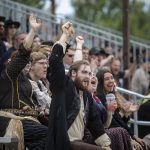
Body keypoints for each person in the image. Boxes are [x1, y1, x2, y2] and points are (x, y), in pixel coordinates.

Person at [46, 22, 111, 150]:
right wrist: (65, 35)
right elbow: (54, 60)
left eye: (90, 73)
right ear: (74, 74)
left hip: (78, 142)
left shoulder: (87, 95)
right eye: (84, 73)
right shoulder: (63, 86)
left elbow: (95, 123)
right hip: (62, 143)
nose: (88, 76)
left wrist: (106, 144)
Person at [0, 14, 48, 150]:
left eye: (28, 62)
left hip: (28, 122)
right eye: (23, 63)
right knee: (49, 134)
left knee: (57, 134)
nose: (26, 64)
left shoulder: (26, 80)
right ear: (10, 62)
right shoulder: (9, 74)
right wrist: (33, 30)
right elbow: (22, 55)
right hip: (11, 121)